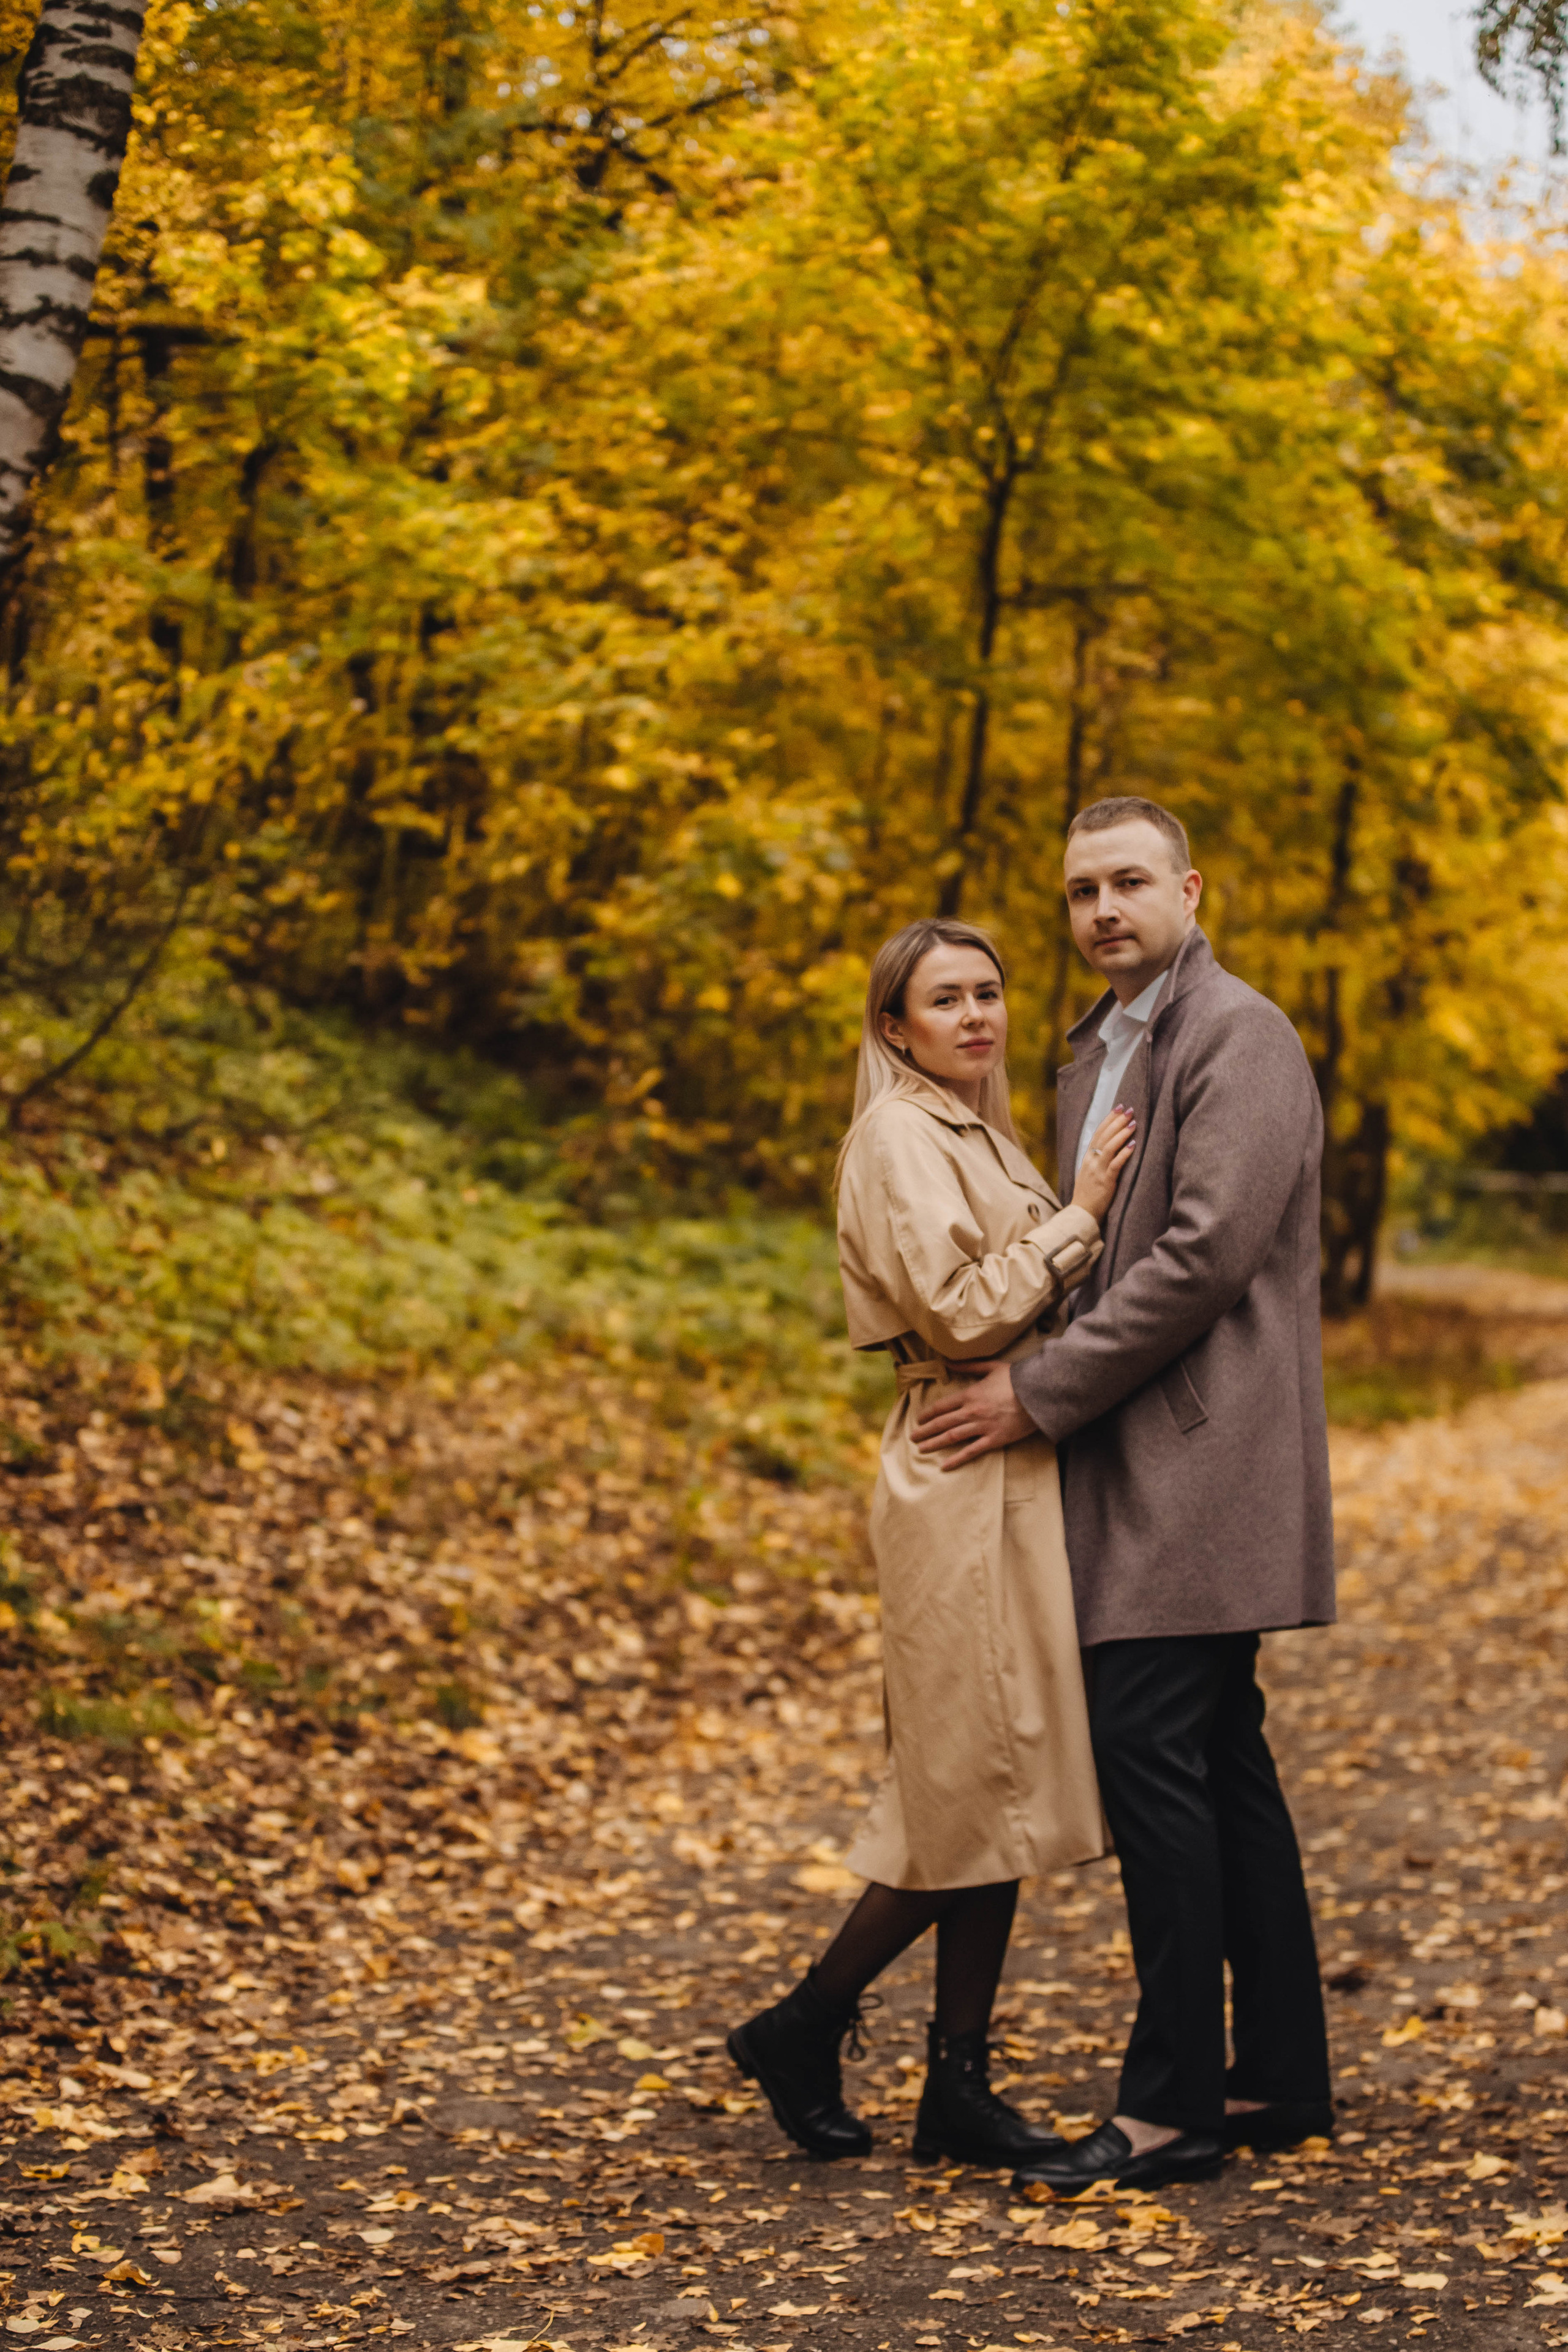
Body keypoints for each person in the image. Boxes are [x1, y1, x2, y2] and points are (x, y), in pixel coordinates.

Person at [914, 797, 1335, 2195]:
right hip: (1135, 1458)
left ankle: (1169, 2111)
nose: (1102, 908)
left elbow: (1203, 1257)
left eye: (1129, 882)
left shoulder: (1239, 1034)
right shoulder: (1096, 1050)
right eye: (1082, 889)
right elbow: (1090, 1246)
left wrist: (1030, 1391)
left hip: (1197, 1463)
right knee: (1217, 1759)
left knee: (1156, 1763)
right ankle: (1272, 2075)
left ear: (1189, 889)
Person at [727, 917, 1136, 2167]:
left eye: (988, 993)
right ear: (893, 1027)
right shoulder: (898, 1136)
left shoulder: (972, 1128)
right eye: (943, 1001)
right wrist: (1080, 1217)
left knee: (992, 1779)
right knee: (965, 1778)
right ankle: (805, 2022)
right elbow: (963, 1311)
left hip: (1008, 1460)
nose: (974, 1016)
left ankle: (954, 2083)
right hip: (957, 1465)